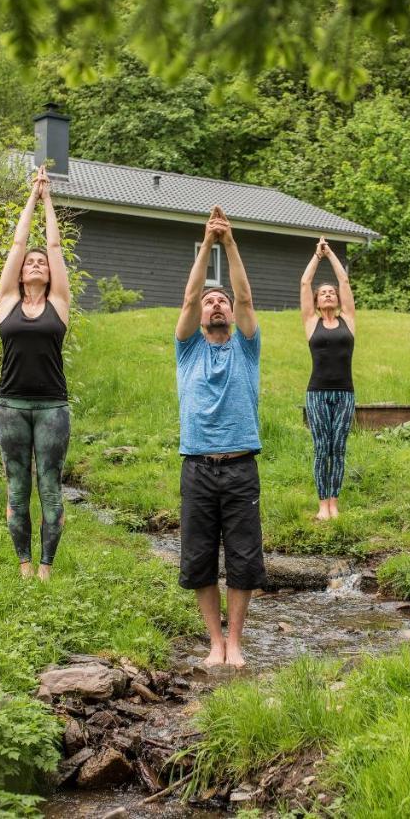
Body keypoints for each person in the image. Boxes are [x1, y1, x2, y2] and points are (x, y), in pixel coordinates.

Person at [175, 205, 265, 669]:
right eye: (211, 301)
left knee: (245, 558)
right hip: (197, 468)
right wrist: (205, 242)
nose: (215, 304)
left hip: (240, 466)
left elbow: (246, 298)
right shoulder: (187, 349)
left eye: (221, 301)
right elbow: (190, 298)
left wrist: (228, 241)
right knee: (199, 559)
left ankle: (235, 641)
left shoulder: (246, 348)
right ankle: (214, 641)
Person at [0, 164, 73, 580]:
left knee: (50, 488)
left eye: (41, 262)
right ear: (22, 273)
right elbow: (18, 243)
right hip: (10, 406)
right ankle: (23, 564)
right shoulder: (6, 300)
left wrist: (48, 200)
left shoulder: (58, 303)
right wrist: (30, 196)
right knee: (17, 490)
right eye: (31, 263)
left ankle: (46, 567)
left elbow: (54, 247)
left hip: (52, 408)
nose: (37, 263)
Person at [299, 237, 356, 520]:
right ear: (316, 301)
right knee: (323, 448)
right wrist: (316, 256)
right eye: (323, 293)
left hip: (345, 393)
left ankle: (335, 502)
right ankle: (323, 505)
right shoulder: (312, 322)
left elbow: (344, 283)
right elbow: (304, 283)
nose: (329, 294)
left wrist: (331, 254)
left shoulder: (348, 320)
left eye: (331, 292)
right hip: (317, 393)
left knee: (339, 448)